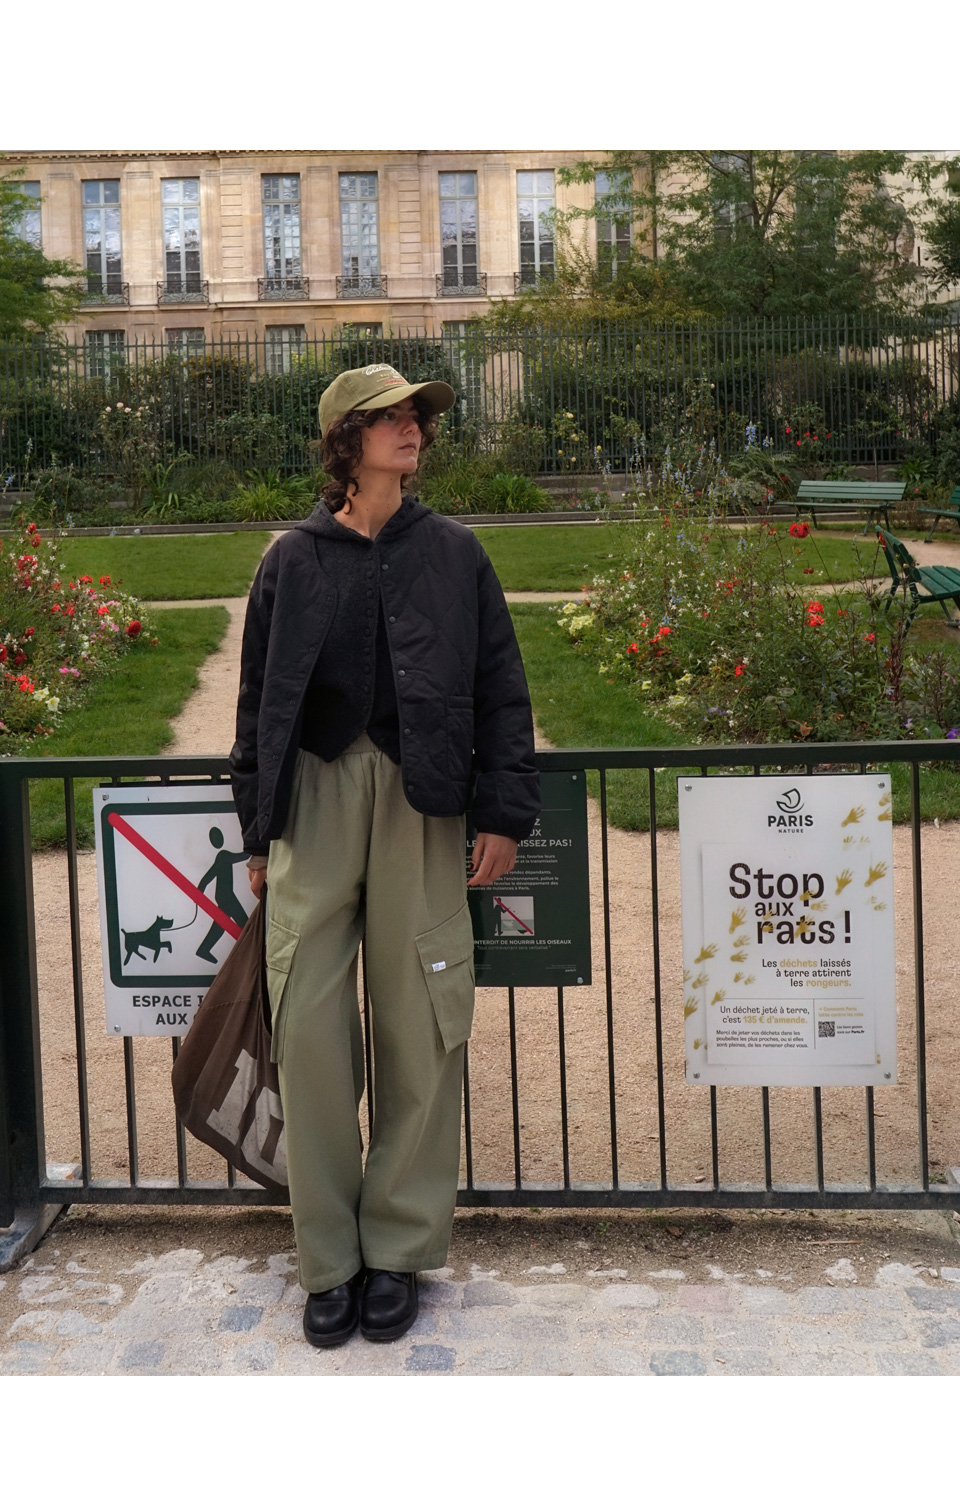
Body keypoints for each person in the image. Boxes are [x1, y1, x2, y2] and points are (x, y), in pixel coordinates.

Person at [229, 362, 539, 1349]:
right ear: (345, 441)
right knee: (308, 1030)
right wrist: (258, 830)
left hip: (424, 801)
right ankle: (328, 1257)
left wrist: (503, 811)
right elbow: (257, 704)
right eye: (389, 418)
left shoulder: (454, 552)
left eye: (416, 416)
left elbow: (501, 687)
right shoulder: (292, 559)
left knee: (423, 1020)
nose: (412, 428)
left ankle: (398, 1248)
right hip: (314, 805)